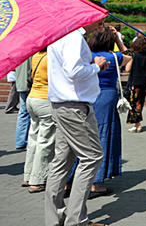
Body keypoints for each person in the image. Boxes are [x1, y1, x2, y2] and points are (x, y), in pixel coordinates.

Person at [45, 16, 109, 226]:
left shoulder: (61, 35)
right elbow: (74, 71)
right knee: (92, 157)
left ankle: (55, 218)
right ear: (87, 19)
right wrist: (96, 67)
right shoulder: (73, 37)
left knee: (62, 161)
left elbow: (70, 69)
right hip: (74, 107)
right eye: (99, 22)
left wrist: (91, 67)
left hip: (63, 104)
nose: (100, 27)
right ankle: (77, 220)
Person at [84, 26, 132, 198]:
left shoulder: (86, 56)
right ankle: (95, 183)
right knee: (103, 135)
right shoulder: (114, 56)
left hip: (87, 97)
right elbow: (130, 56)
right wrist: (118, 39)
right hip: (107, 97)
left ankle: (69, 181)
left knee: (82, 137)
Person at [23, 49, 54, 193]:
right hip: (44, 99)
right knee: (45, 141)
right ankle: (38, 180)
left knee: (33, 139)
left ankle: (28, 176)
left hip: (32, 98)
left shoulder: (36, 55)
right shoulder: (51, 57)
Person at [125, 36, 146, 133]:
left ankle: (137, 124)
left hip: (135, 81)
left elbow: (127, 69)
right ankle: (136, 123)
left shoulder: (134, 55)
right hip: (145, 81)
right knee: (140, 102)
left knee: (134, 103)